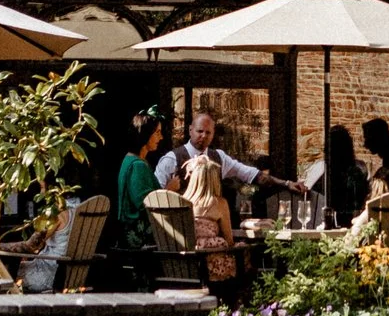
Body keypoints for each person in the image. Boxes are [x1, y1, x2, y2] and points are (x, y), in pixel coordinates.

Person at [153, 109, 305, 209]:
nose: (203, 136)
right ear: (190, 130)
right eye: (200, 131)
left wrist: (286, 183)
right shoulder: (172, 159)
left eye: (208, 133)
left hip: (212, 226)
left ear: (213, 134)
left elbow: (253, 175)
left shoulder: (218, 158)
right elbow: (154, 198)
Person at [180, 154, 242, 283]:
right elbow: (229, 240)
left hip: (183, 265)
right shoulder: (219, 203)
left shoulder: (181, 202)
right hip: (210, 266)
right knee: (245, 253)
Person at [115, 111, 166, 245]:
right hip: (138, 237)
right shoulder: (137, 165)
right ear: (145, 134)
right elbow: (145, 204)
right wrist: (168, 190)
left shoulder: (132, 160)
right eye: (157, 133)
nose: (161, 138)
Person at [307, 124, 371, 228]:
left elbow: (309, 196)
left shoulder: (321, 170)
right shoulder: (359, 170)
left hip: (327, 222)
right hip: (354, 224)